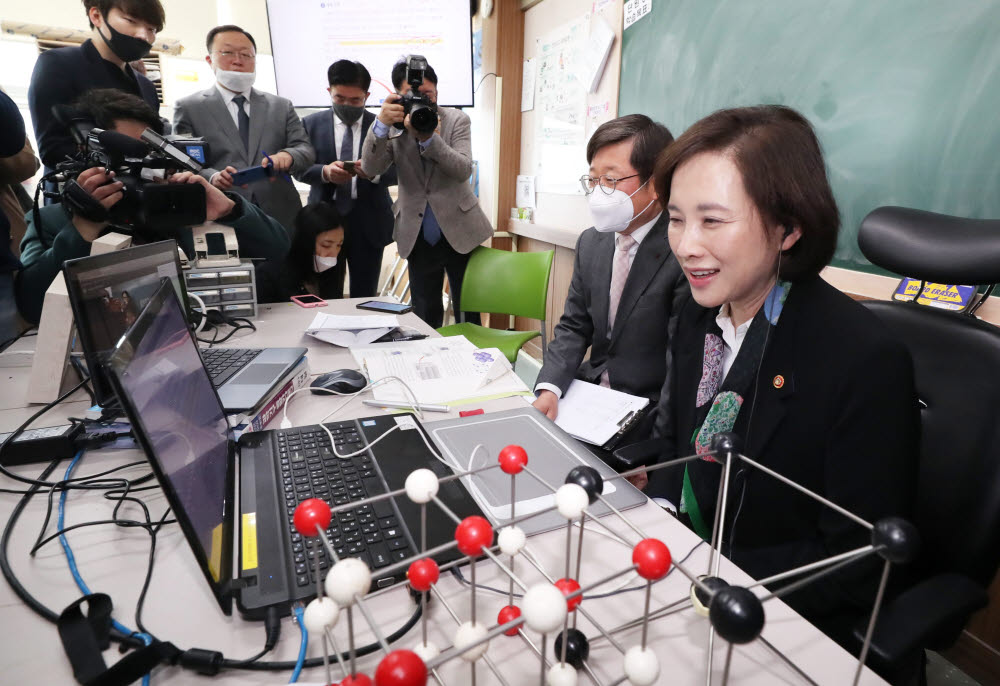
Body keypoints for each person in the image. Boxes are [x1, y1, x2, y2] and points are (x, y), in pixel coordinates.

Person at [645, 105, 919, 652]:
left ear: (787, 228)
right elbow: (684, 448)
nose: (686, 245)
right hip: (684, 581)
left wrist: (704, 575)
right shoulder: (698, 317)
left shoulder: (863, 360)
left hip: (780, 620)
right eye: (676, 218)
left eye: (712, 220)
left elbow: (856, 559)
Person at [15, 89, 290, 326]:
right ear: (91, 155)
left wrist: (230, 210)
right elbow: (33, 307)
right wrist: (82, 229)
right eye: (127, 156)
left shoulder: (177, 211)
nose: (141, 169)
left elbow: (276, 248)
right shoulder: (54, 220)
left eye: (148, 156)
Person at [532, 115, 687, 470]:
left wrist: (657, 454)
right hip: (585, 401)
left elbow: (679, 364)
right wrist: (550, 388)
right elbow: (573, 326)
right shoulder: (592, 241)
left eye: (612, 180)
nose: (600, 190)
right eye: (593, 179)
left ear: (657, 183)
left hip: (644, 414)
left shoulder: (682, 250)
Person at [361, 58, 492, 328]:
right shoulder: (392, 126)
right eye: (414, 95)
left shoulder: (456, 119)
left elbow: (462, 169)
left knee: (469, 310)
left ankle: (470, 364)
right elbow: (371, 168)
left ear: (437, 93)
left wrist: (430, 138)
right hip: (416, 231)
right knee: (424, 311)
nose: (424, 100)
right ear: (398, 96)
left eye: (429, 95)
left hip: (461, 228)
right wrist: (381, 126)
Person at [173, 25, 315, 234]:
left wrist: (289, 155)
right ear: (210, 59)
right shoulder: (189, 107)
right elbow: (181, 161)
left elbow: (304, 148)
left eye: (246, 55)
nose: (238, 61)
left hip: (280, 212)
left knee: (285, 266)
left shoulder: (280, 105)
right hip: (222, 211)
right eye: (228, 52)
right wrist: (212, 176)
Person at [297, 60, 396, 298]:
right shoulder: (310, 124)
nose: (347, 105)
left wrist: (374, 173)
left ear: (367, 96)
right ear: (329, 92)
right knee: (325, 294)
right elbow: (298, 167)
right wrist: (324, 172)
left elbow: (400, 170)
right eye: (340, 99)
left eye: (355, 101)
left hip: (369, 221)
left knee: (366, 295)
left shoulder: (383, 126)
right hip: (324, 221)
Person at [28, 0, 163, 173]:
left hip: (141, 192)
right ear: (97, 16)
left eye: (151, 29)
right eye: (131, 21)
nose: (143, 35)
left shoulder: (147, 87)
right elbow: (52, 148)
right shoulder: (59, 63)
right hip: (81, 191)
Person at [256, 202, 348, 303]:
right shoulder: (269, 274)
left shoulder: (335, 267)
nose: (334, 253)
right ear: (305, 242)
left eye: (339, 245)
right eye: (326, 245)